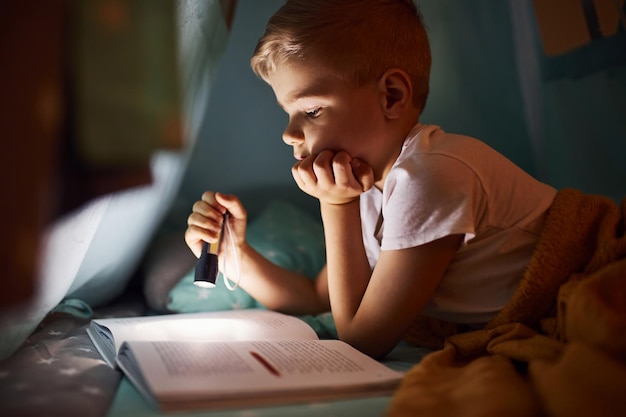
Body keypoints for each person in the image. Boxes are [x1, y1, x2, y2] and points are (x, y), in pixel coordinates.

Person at [185, 0, 557, 359]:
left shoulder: (427, 177)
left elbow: (361, 341)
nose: (289, 134)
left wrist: (336, 204)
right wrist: (233, 252)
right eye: (289, 113)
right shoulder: (370, 187)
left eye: (311, 110)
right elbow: (318, 296)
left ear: (391, 97)